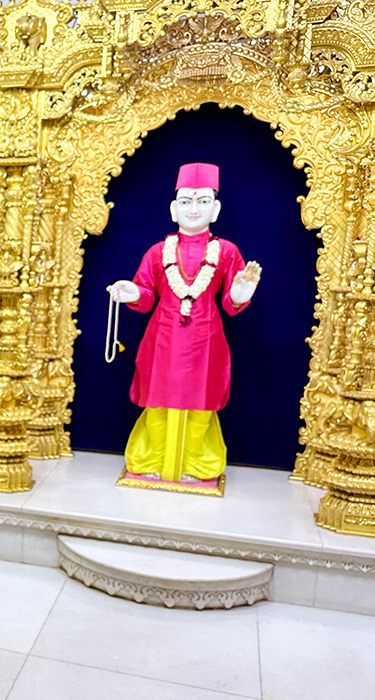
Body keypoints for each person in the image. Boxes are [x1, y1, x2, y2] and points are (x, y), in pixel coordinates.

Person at [106, 162, 262, 485]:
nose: (194, 209)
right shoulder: (157, 252)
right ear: (173, 209)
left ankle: (197, 465)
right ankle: (149, 460)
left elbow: (230, 301)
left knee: (201, 407)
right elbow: (146, 294)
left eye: (203, 201)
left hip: (205, 339)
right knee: (156, 405)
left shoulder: (226, 251)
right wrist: (131, 292)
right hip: (162, 338)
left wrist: (240, 293)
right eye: (186, 202)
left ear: (216, 210)